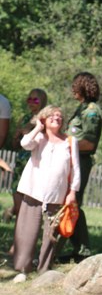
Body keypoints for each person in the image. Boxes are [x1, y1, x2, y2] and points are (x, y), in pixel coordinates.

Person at [12, 105, 80, 283]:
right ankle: (23, 269)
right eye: (52, 116)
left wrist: (72, 191)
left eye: (59, 116)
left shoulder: (70, 141)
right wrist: (37, 128)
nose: (56, 118)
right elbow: (24, 144)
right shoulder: (39, 138)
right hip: (34, 190)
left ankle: (44, 269)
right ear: (44, 118)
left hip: (57, 194)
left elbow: (76, 169)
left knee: (51, 234)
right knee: (27, 231)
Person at [63, 72, 102, 260]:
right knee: (70, 203)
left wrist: (64, 143)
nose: (72, 90)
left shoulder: (91, 112)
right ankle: (76, 247)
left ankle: (82, 250)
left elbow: (89, 143)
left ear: (83, 87)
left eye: (75, 86)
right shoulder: (81, 108)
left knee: (73, 203)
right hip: (71, 160)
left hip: (81, 162)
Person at [5, 89, 47, 227]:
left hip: (36, 164)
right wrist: (17, 137)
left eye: (35, 100)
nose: (31, 103)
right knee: (18, 200)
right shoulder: (24, 118)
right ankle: (17, 240)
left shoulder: (46, 120)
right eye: (29, 99)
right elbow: (15, 145)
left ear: (42, 101)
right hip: (21, 163)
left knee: (30, 208)